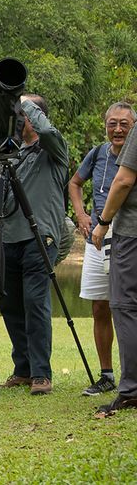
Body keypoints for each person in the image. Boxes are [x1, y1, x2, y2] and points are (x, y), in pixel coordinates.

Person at [0, 94, 69, 395]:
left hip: (40, 236)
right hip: (9, 236)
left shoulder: (54, 150)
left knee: (36, 303)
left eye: (23, 114)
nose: (19, 118)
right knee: (10, 305)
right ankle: (22, 369)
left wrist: (22, 100)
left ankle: (41, 374)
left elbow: (46, 132)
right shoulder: (12, 154)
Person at [69, 102, 136, 396]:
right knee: (101, 305)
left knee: (128, 306)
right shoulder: (98, 154)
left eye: (124, 123)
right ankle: (107, 374)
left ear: (133, 125)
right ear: (105, 125)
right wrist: (82, 216)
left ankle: (130, 377)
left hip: (125, 235)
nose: (118, 129)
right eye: (113, 123)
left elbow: (123, 184)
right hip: (98, 236)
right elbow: (74, 183)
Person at [91, 122, 137, 415]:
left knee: (125, 306)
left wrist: (104, 222)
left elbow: (123, 180)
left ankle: (131, 389)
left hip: (132, 232)